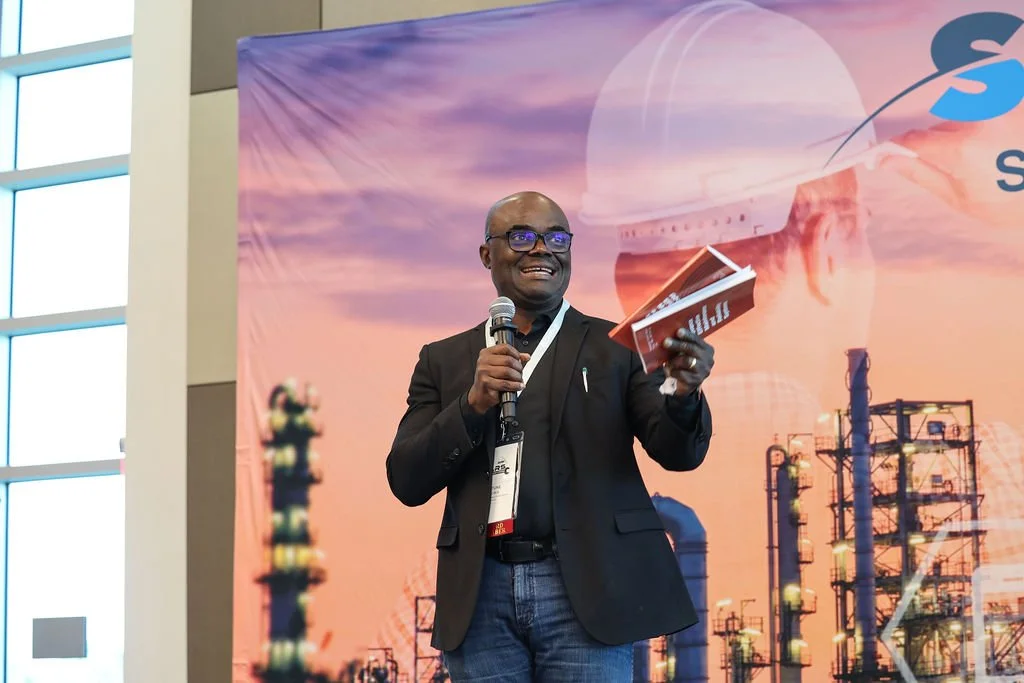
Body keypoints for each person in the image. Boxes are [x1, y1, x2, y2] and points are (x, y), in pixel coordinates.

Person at [385, 190, 716, 682]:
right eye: (522, 236)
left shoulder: (617, 348)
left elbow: (677, 452)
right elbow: (407, 479)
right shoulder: (444, 359)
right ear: (487, 254)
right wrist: (472, 404)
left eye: (557, 238)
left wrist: (684, 395)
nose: (543, 249)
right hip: (481, 593)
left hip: (589, 587)